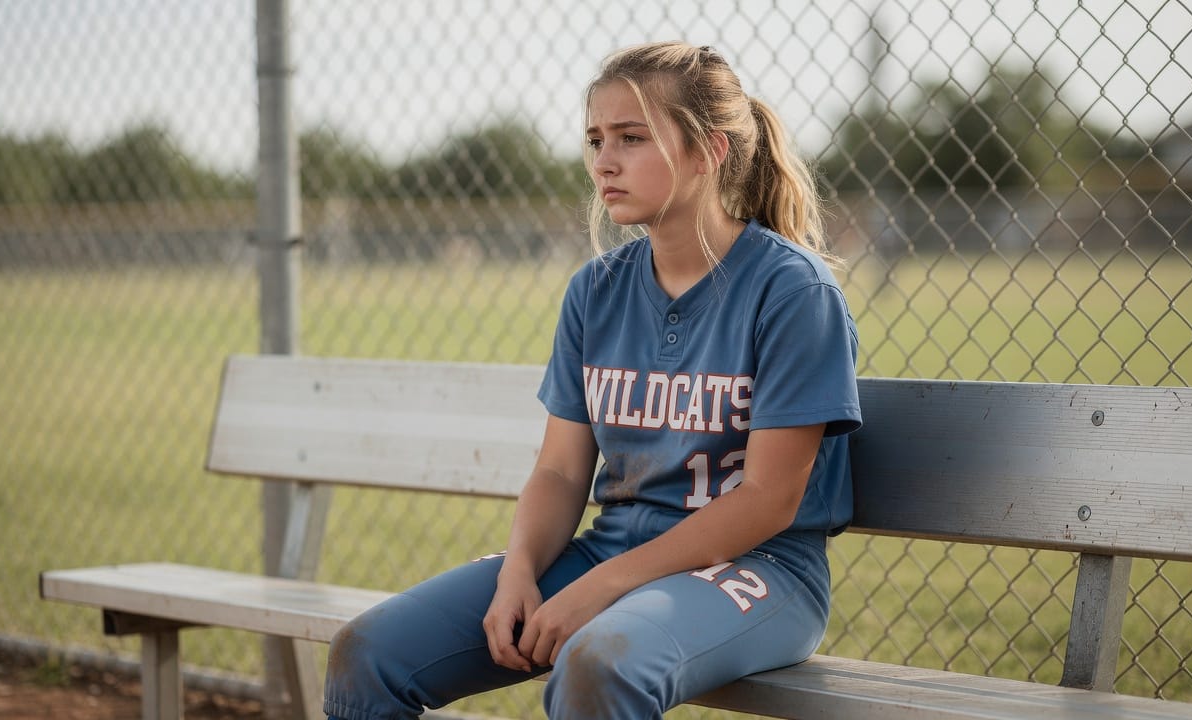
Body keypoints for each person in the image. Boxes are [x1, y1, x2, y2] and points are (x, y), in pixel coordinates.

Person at [323, 41, 861, 720]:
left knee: (597, 662)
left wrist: (602, 587)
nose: (604, 161)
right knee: (367, 654)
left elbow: (768, 500)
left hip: (760, 570)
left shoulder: (791, 290)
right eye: (596, 139)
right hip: (615, 548)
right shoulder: (596, 290)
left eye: (632, 138)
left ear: (710, 151)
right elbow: (558, 473)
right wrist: (519, 571)